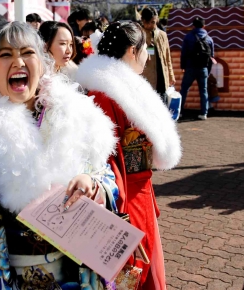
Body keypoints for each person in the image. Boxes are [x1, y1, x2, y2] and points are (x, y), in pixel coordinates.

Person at [0, 4, 118, 289]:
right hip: (6, 275)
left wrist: (91, 183)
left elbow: (105, 175)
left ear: (42, 63)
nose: (18, 62)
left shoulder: (76, 111)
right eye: (6, 55)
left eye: (27, 53)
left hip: (72, 271)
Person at [76, 21, 182, 290]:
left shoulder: (119, 89)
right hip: (127, 197)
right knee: (136, 274)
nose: (147, 56)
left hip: (140, 190)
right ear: (133, 51)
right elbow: (103, 160)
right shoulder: (103, 95)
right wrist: (120, 213)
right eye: (145, 49)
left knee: (147, 272)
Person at [180, 16, 215, 120]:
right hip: (203, 68)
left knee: (184, 90)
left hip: (190, 67)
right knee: (203, 91)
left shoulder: (188, 37)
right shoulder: (209, 39)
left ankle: (180, 111)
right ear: (204, 26)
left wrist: (183, 66)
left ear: (193, 26)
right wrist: (207, 71)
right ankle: (204, 113)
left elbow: (184, 53)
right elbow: (211, 57)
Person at [140, 7, 175, 101]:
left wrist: (171, 75)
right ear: (143, 21)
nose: (152, 25)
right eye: (149, 22)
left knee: (163, 105)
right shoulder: (139, 35)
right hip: (146, 78)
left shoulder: (162, 35)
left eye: (154, 22)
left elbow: (167, 57)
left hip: (162, 77)